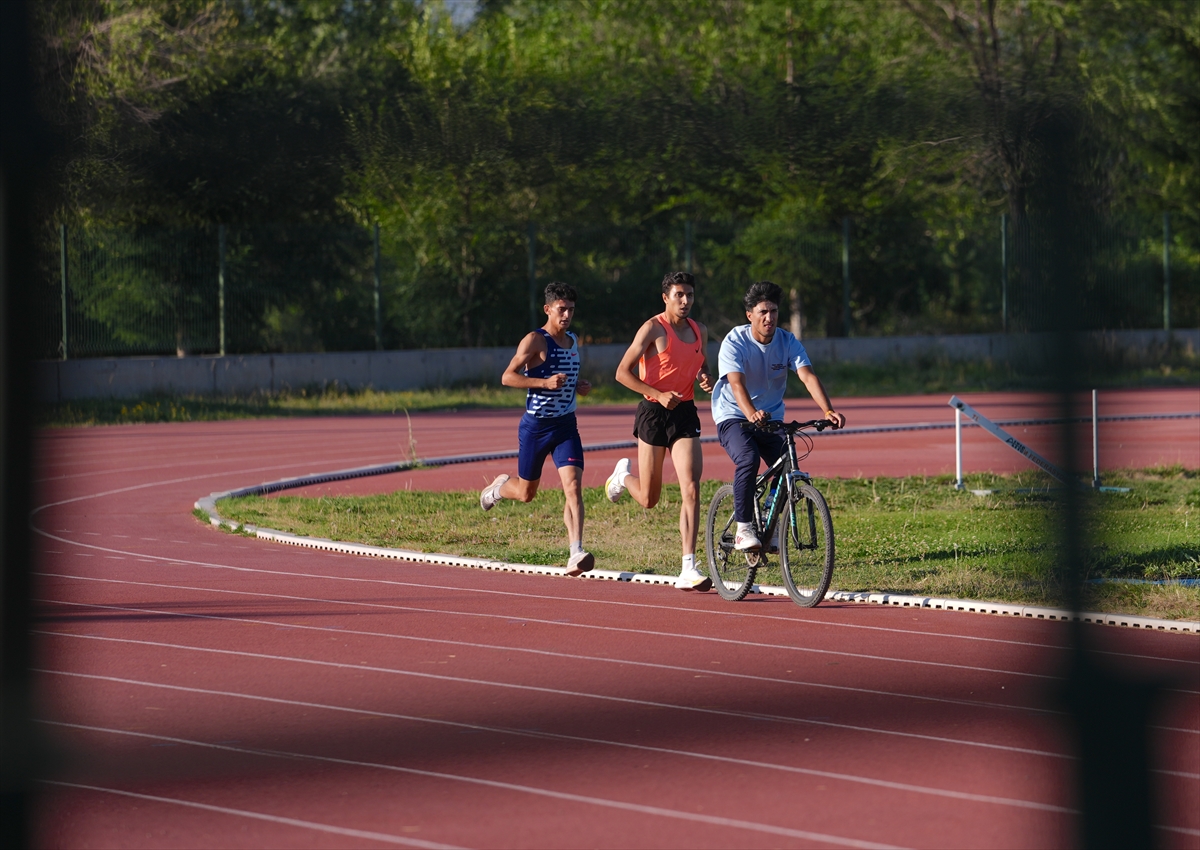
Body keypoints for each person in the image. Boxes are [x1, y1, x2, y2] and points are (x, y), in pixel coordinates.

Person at [710, 280, 846, 551]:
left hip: (769, 419)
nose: (769, 317)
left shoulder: (787, 341)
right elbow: (736, 383)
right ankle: (743, 528)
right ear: (750, 315)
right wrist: (750, 413)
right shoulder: (735, 341)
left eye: (773, 311)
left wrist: (828, 410)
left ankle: (770, 524)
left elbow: (807, 376)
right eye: (762, 312)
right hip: (734, 415)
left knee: (789, 469)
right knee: (748, 458)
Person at [605, 271, 715, 591]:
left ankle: (689, 567)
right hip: (653, 412)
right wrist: (655, 391)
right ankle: (622, 478)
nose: (685, 301)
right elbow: (622, 373)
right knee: (650, 499)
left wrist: (705, 377)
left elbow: (701, 363)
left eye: (690, 295)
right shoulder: (653, 328)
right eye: (679, 295)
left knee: (691, 488)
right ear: (665, 297)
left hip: (684, 413)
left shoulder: (700, 330)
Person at [479, 282, 594, 576]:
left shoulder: (573, 340)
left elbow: (567, 379)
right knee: (527, 493)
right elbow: (507, 377)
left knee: (573, 487)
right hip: (536, 428)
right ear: (548, 309)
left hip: (566, 426)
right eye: (561, 309)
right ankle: (498, 489)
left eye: (570, 309)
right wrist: (543, 383)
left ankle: (575, 551)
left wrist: (579, 387)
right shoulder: (534, 340)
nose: (566, 315)